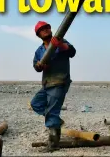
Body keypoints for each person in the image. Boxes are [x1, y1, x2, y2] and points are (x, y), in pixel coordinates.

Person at [30, 21, 77, 152]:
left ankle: (54, 144)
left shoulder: (60, 41)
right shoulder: (39, 51)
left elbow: (72, 52)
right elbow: (36, 66)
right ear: (38, 34)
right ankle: (55, 119)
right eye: (41, 29)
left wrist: (61, 46)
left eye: (46, 28)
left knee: (51, 112)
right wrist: (39, 66)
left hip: (59, 82)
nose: (45, 30)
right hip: (46, 84)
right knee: (36, 104)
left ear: (50, 29)